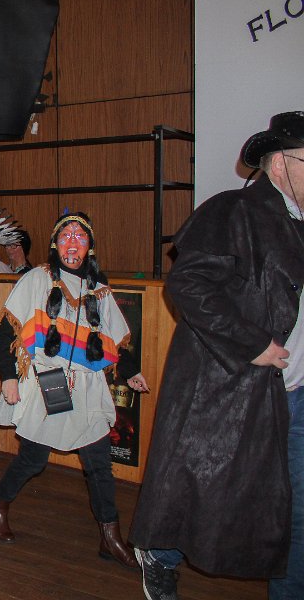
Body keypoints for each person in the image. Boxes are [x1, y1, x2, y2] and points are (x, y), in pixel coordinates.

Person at [130, 111, 304, 600]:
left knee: (293, 511)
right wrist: (253, 344)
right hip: (237, 386)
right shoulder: (233, 211)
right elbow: (189, 284)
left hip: (295, 390)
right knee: (204, 484)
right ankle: (161, 554)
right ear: (279, 165)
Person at [0, 212, 149, 569]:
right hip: (49, 383)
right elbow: (6, 332)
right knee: (34, 460)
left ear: (90, 246)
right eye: (66, 236)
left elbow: (112, 341)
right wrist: (8, 377)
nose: (72, 243)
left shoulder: (98, 289)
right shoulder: (37, 279)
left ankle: (110, 537)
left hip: (88, 388)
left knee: (99, 464)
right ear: (54, 244)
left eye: (80, 236)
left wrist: (130, 371)